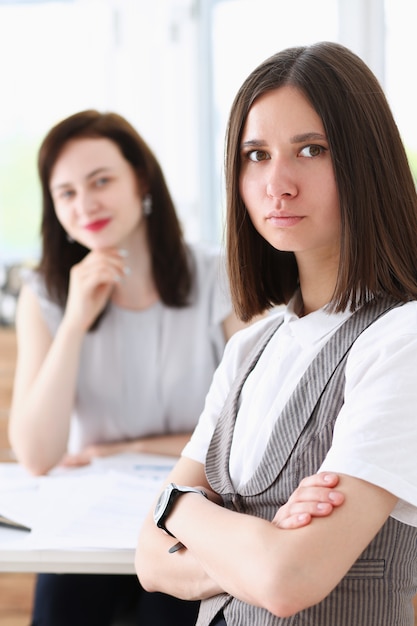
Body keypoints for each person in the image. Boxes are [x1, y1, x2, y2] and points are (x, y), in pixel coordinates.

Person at [135, 41, 417, 626]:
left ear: (366, 163)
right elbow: (149, 560)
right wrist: (261, 544)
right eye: (256, 155)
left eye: (311, 150)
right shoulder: (249, 348)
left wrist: (178, 509)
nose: (277, 183)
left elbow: (290, 581)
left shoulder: (403, 340)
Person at [8, 110, 248, 626]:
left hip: (189, 517)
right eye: (66, 193)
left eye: (100, 181)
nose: (85, 204)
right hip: (89, 527)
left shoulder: (217, 276)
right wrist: (74, 322)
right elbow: (36, 455)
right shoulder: (46, 294)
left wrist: (128, 447)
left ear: (140, 179)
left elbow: (246, 435)